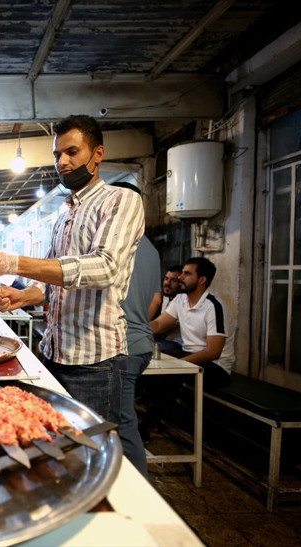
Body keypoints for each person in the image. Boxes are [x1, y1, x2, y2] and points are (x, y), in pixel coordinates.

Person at [0, 114, 144, 425]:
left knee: (90, 451)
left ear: (98, 154)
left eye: (72, 152)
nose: (62, 162)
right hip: (54, 355)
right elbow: (48, 286)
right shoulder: (64, 215)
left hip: (95, 363)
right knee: (57, 442)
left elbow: (105, 267)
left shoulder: (119, 200)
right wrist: (21, 296)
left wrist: (12, 262)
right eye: (58, 155)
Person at [111, 180, 161, 477]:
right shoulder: (151, 249)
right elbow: (155, 300)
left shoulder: (117, 245)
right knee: (118, 418)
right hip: (142, 343)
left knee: (123, 421)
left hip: (122, 345)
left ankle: (141, 495)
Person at [150, 256, 235, 390]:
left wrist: (179, 364)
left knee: (164, 374)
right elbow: (159, 325)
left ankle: (161, 408)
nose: (180, 277)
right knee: (144, 360)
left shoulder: (214, 306)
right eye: (182, 272)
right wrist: (134, 330)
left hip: (215, 367)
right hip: (187, 355)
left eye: (187, 274)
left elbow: (213, 352)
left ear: (202, 280)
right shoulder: (181, 299)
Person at [151, 264, 184, 352]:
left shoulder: (182, 300)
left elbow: (161, 329)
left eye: (173, 280)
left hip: (177, 345)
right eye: (166, 278)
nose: (167, 283)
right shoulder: (166, 298)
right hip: (163, 341)